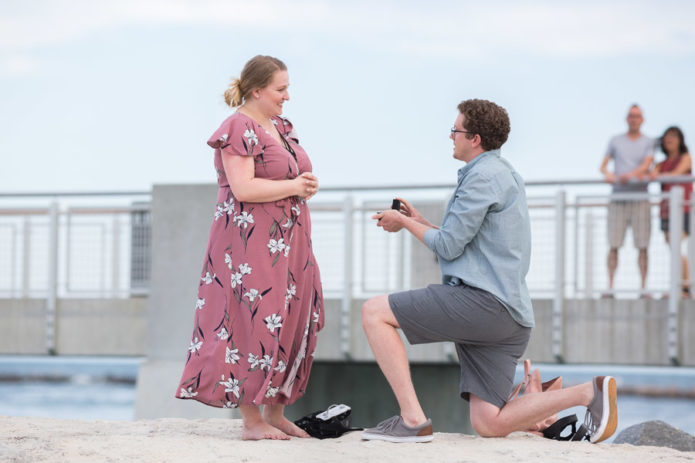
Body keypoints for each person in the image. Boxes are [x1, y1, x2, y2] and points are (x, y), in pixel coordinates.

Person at [361, 99, 618, 443]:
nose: (451, 136)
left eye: (456, 130)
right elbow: (467, 246)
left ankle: (413, 420)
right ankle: (589, 392)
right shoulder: (503, 174)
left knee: (374, 312)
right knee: (488, 423)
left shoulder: (481, 177)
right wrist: (420, 222)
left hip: (484, 305)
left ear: (475, 138)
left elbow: (449, 247)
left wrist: (404, 222)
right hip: (509, 318)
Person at [175, 55, 324, 441]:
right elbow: (244, 188)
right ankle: (251, 420)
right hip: (247, 242)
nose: (287, 96)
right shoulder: (236, 127)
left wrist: (304, 184)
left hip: (290, 240)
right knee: (249, 320)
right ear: (257, 90)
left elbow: (286, 175)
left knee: (293, 315)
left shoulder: (279, 126)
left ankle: (275, 412)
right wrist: (294, 187)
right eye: (280, 89)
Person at [599, 104, 655, 297]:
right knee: (614, 244)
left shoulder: (649, 142)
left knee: (643, 245)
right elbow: (603, 166)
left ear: (642, 119)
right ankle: (610, 286)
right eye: (631, 116)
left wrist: (626, 176)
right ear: (626, 118)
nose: (634, 119)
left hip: (640, 199)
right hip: (618, 199)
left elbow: (647, 165)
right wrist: (609, 175)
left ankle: (643, 287)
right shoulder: (615, 141)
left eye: (637, 116)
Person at [650, 126, 692, 298]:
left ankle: (684, 287)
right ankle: (680, 286)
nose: (670, 140)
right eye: (666, 137)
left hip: (683, 209)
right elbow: (651, 175)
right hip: (666, 211)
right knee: (673, 249)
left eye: (673, 136)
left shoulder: (686, 158)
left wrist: (661, 175)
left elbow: (676, 173)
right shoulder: (661, 164)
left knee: (675, 246)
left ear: (680, 140)